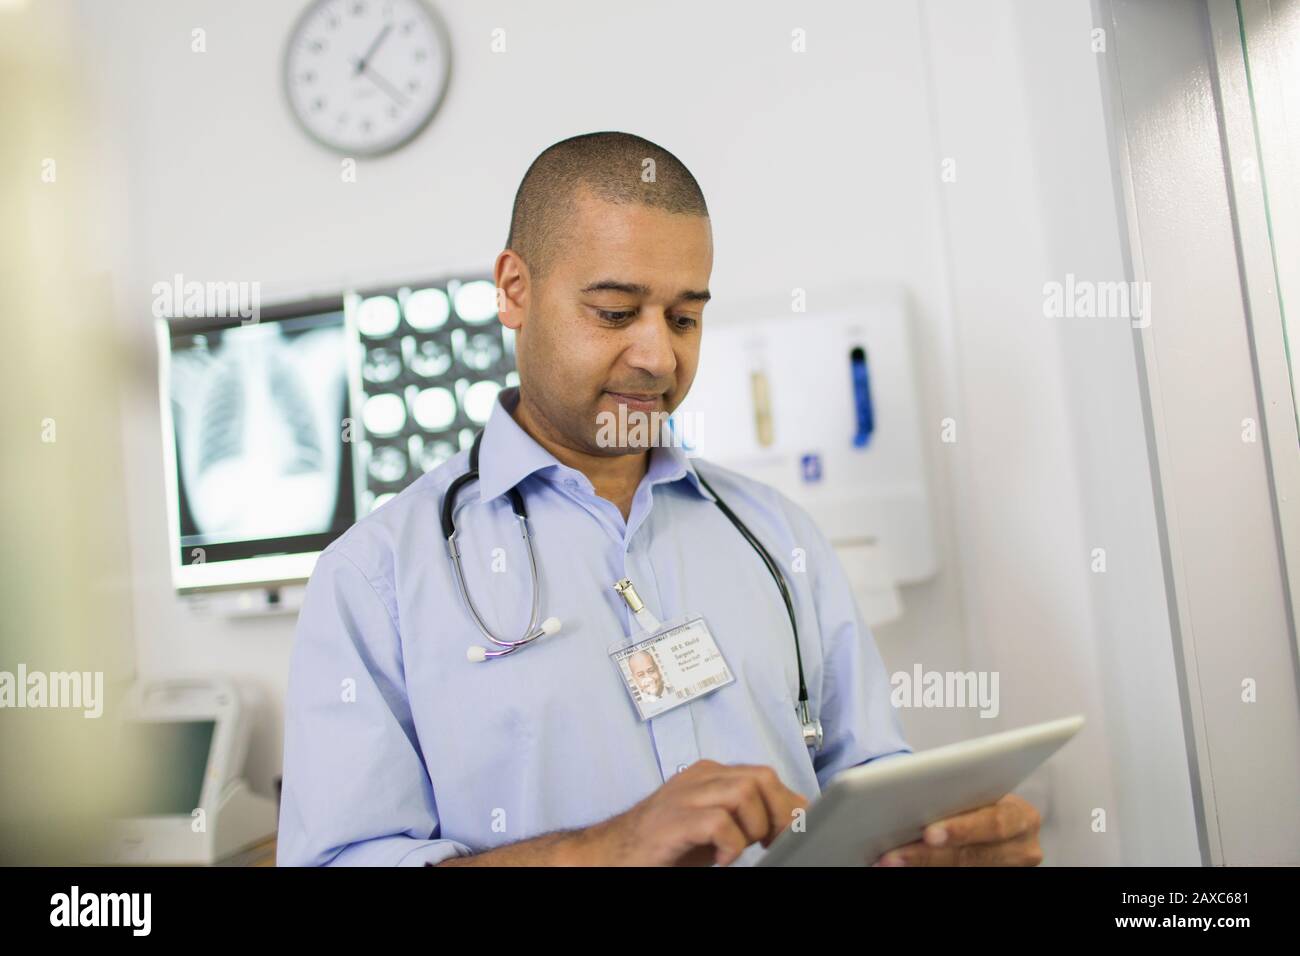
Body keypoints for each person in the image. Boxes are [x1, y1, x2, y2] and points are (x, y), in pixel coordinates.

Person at [278, 131, 1043, 867]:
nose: (657, 356)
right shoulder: (375, 580)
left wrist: (935, 844)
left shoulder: (776, 538)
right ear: (515, 290)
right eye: (614, 312)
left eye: (685, 317)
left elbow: (866, 786)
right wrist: (605, 852)